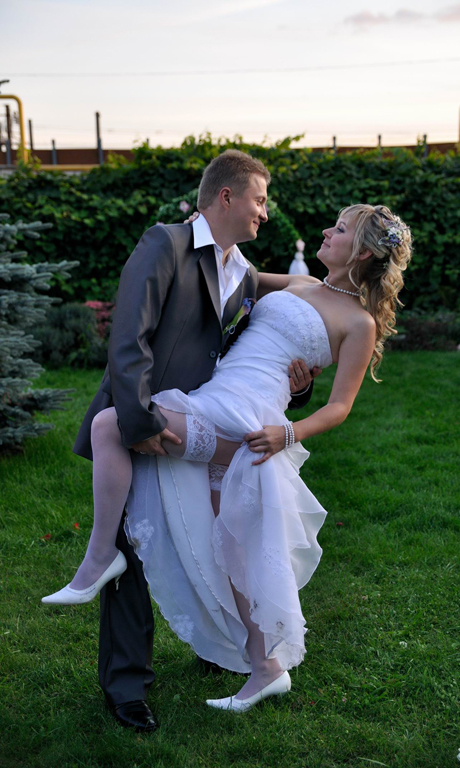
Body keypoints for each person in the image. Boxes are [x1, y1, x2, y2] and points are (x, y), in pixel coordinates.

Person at [43, 201, 412, 714]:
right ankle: (265, 667)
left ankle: (102, 555)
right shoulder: (300, 283)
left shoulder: (359, 323)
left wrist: (288, 433)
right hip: (219, 398)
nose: (328, 231)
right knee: (230, 549)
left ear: (364, 252)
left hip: (245, 420)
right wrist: (199, 224)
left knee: (110, 424)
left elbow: (340, 406)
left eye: (342, 229)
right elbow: (232, 275)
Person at [51, 149, 316, 732]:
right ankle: (127, 686)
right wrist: (139, 422)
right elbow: (129, 339)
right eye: (259, 200)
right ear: (226, 196)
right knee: (131, 548)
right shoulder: (165, 243)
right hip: (144, 422)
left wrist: (298, 388)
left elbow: (250, 357)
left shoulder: (245, 275)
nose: (264, 212)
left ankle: (218, 648)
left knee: (210, 535)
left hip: (201, 424)